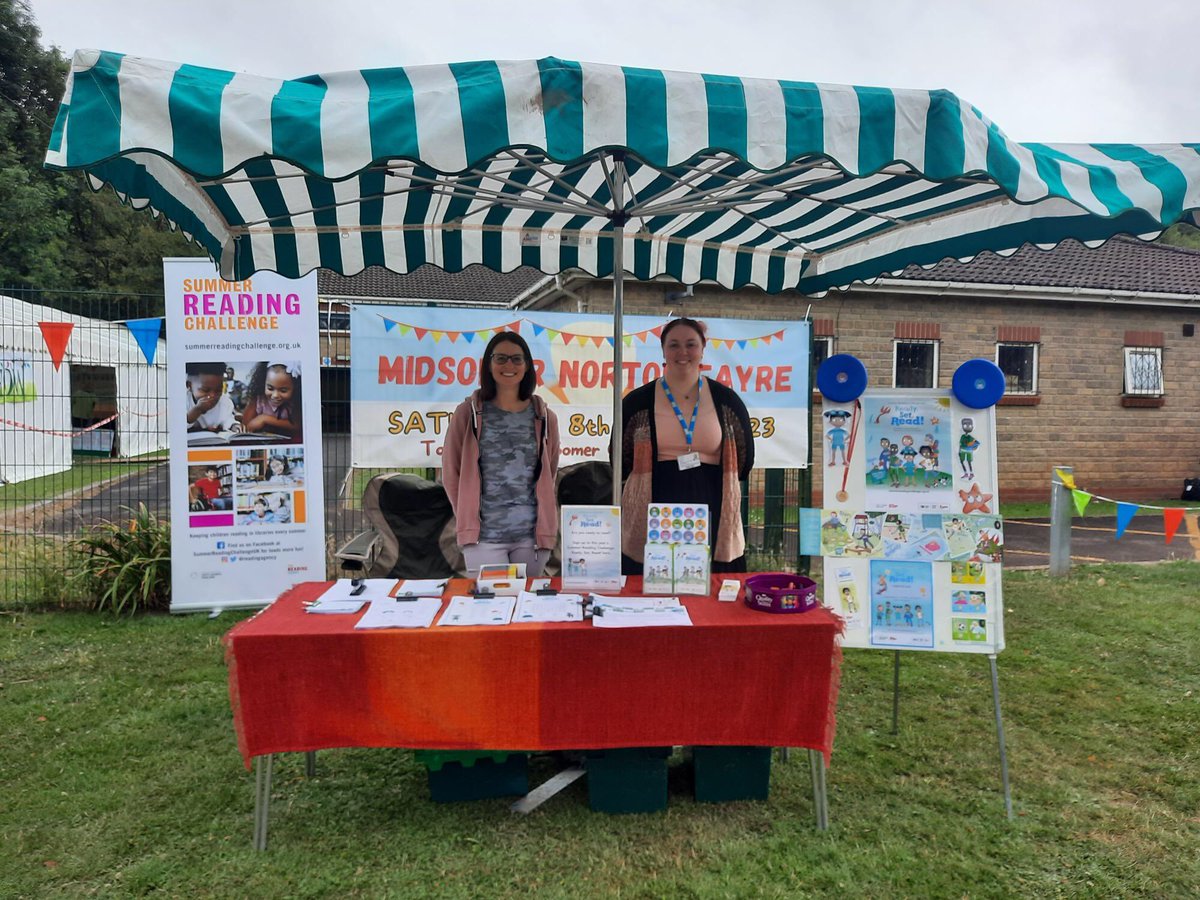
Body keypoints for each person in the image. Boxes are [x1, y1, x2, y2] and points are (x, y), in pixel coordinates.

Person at [616, 317, 754, 575]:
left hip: (712, 501)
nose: (683, 352)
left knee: (710, 589)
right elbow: (620, 457)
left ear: (703, 349)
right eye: (674, 345)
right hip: (654, 502)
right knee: (654, 583)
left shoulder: (727, 400)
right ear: (663, 351)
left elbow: (745, 458)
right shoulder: (637, 401)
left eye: (691, 344)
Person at [442, 331, 560, 579]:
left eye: (517, 359)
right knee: (489, 610)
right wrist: (466, 515)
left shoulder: (545, 417)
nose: (509, 365)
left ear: (527, 366)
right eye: (501, 358)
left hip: (532, 539)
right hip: (484, 540)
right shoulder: (467, 413)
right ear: (488, 365)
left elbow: (549, 470)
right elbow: (451, 473)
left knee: (529, 610)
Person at [241, 362, 302, 440]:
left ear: (295, 388)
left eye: (283, 390)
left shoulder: (294, 403)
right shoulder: (259, 399)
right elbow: (247, 425)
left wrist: (264, 419)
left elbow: (297, 426)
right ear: (263, 383)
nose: (275, 395)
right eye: (270, 388)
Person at [186, 362, 239, 433]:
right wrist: (197, 410)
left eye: (218, 390)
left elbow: (228, 419)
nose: (212, 395)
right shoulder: (183, 401)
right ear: (189, 386)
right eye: (205, 390)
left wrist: (234, 425)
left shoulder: (225, 402)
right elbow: (178, 425)